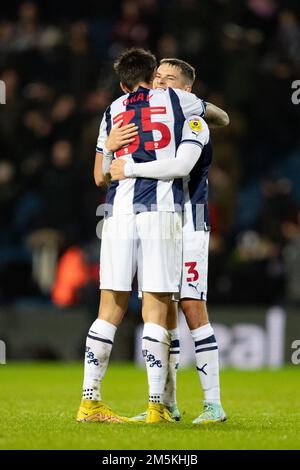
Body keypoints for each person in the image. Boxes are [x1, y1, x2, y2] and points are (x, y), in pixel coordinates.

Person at [76, 48, 211, 424]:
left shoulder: (112, 111)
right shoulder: (180, 99)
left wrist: (112, 147)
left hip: (116, 214)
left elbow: (99, 177)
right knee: (156, 305)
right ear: (155, 77)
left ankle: (89, 402)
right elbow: (219, 116)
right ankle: (156, 406)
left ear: (121, 83)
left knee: (109, 310)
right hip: (161, 213)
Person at [109, 58, 227, 424]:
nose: (160, 84)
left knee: (192, 308)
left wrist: (126, 167)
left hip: (189, 222)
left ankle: (213, 404)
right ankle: (166, 403)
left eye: (170, 80)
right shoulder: (156, 121)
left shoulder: (192, 122)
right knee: (165, 313)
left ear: (187, 90)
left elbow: (182, 166)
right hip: (156, 223)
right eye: (157, 77)